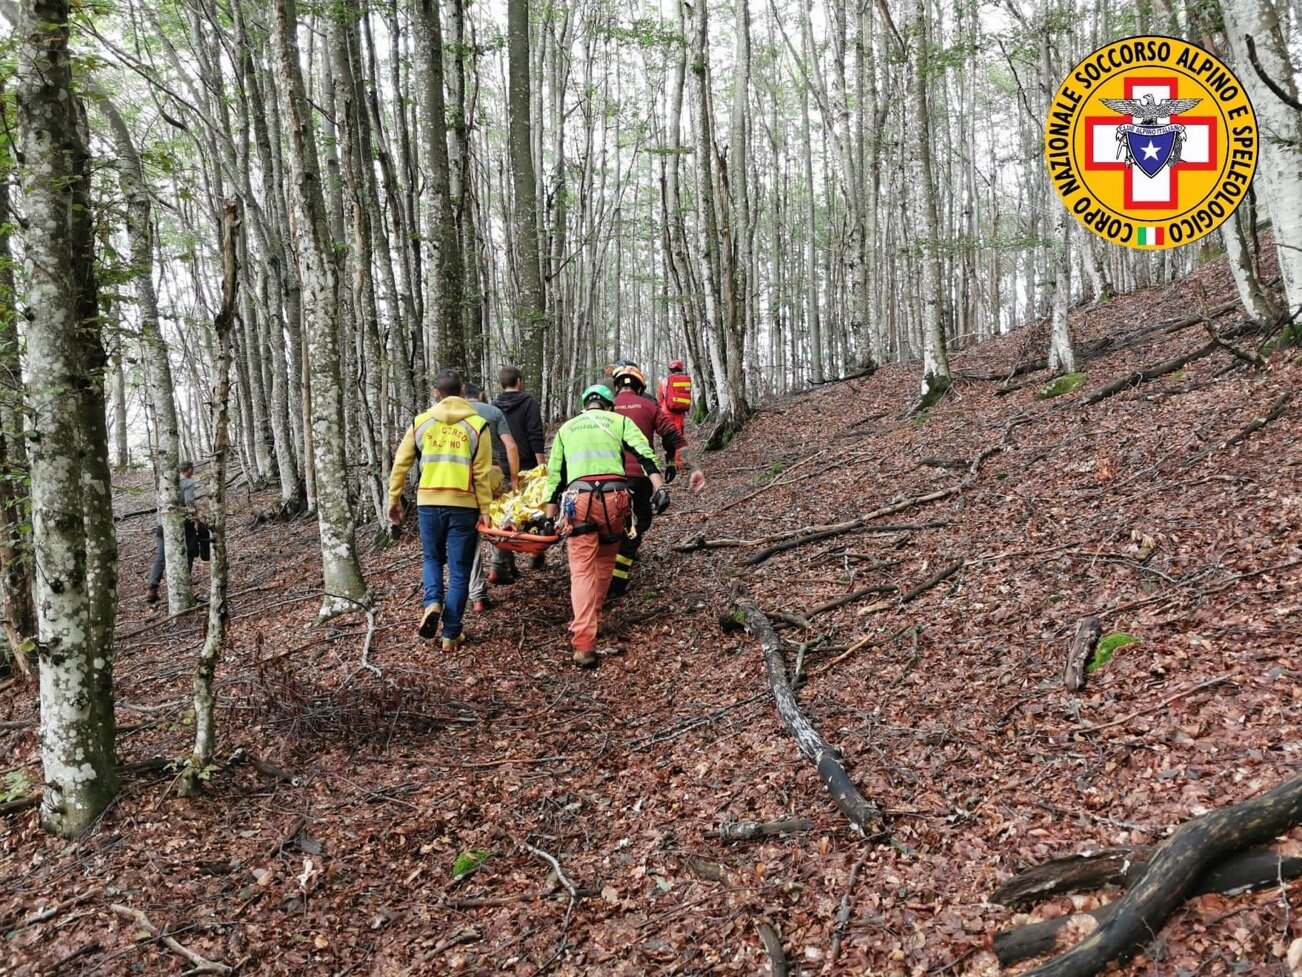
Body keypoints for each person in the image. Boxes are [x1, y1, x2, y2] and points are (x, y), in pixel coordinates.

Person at [543, 384, 666, 668]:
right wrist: (659, 488)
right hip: (615, 500)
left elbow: (555, 479)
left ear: (585, 405)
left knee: (582, 569)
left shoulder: (566, 429)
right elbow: (645, 454)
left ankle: (584, 643)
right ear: (610, 406)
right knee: (605, 561)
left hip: (579, 501)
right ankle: (595, 617)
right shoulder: (620, 421)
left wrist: (549, 518)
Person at [387, 370, 493, 651]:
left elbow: (401, 464)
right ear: (462, 390)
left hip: (428, 503)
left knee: (432, 558)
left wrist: (393, 500)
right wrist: (486, 509)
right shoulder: (478, 426)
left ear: (436, 393)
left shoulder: (421, 423)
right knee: (460, 570)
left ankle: (432, 601)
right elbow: (482, 474)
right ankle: (451, 634)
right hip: (464, 504)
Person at [609, 364, 704, 596]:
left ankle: (611, 562)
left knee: (610, 522)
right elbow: (674, 436)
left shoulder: (606, 408)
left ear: (617, 385)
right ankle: (617, 582)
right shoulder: (649, 406)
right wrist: (686, 466)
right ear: (640, 387)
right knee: (639, 524)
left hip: (607, 477)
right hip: (641, 477)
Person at [464, 382, 520, 613]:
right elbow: (510, 445)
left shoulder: (454, 413)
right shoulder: (493, 411)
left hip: (463, 477)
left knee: (470, 536)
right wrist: (515, 479)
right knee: (499, 520)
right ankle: (497, 566)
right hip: (492, 473)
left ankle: (477, 595)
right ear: (482, 395)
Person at [492, 366, 546, 582]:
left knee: (504, 514)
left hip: (502, 466)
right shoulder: (529, 403)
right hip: (526, 464)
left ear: (501, 383)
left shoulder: (494, 407)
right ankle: (536, 551)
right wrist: (542, 467)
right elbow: (535, 434)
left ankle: (503, 564)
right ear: (520, 381)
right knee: (535, 510)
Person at [146, 460, 208, 604]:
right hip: (182, 525)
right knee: (190, 552)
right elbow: (190, 504)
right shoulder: (187, 483)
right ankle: (184, 587)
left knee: (161, 557)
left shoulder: (165, 483)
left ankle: (152, 588)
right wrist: (197, 521)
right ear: (190, 470)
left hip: (162, 524)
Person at [657, 358, 694, 451]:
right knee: (678, 437)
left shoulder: (663, 381)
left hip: (667, 412)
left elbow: (660, 399)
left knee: (667, 434)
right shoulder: (686, 380)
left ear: (670, 369)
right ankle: (678, 462)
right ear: (681, 369)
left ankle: (670, 460)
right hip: (679, 413)